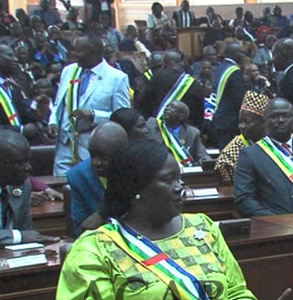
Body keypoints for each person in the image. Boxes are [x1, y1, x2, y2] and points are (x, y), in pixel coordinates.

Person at [53, 139, 293, 300]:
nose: (179, 187)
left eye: (179, 178)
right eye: (168, 180)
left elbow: (234, 297)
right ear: (135, 188)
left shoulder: (202, 228)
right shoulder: (96, 247)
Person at [47, 33, 130, 176]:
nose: (74, 54)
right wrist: (53, 122)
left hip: (93, 150)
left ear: (94, 52)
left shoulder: (116, 77)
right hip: (65, 146)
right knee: (61, 192)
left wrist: (93, 115)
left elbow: (123, 117)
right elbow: (59, 103)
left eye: (79, 50)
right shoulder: (69, 71)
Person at [67, 122, 128, 236]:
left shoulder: (141, 171)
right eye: (92, 155)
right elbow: (80, 228)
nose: (95, 163)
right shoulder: (79, 176)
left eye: (104, 157)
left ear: (123, 154)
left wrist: (103, 215)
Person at [1, 129, 60, 246]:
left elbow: (27, 232)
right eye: (19, 163)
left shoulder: (23, 187)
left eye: (28, 160)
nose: (29, 168)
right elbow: (24, 235)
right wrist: (19, 237)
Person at [139, 50, 204, 128]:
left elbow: (143, 103)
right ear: (181, 63)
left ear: (165, 63)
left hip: (159, 129)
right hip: (185, 130)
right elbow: (199, 114)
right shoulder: (193, 83)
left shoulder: (157, 77)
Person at [215, 91, 269, 185]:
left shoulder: (280, 143)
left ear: (263, 123)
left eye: (247, 122)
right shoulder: (232, 151)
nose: (241, 126)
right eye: (240, 121)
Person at [147, 100, 210, 166]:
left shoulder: (192, 133)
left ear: (181, 116)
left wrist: (204, 161)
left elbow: (203, 155)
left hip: (182, 171)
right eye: (167, 106)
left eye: (173, 108)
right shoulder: (153, 124)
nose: (167, 109)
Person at [209, 42, 247, 149]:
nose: (244, 56)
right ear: (234, 54)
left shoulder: (220, 68)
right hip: (230, 123)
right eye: (241, 53)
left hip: (218, 119)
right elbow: (240, 99)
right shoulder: (234, 71)